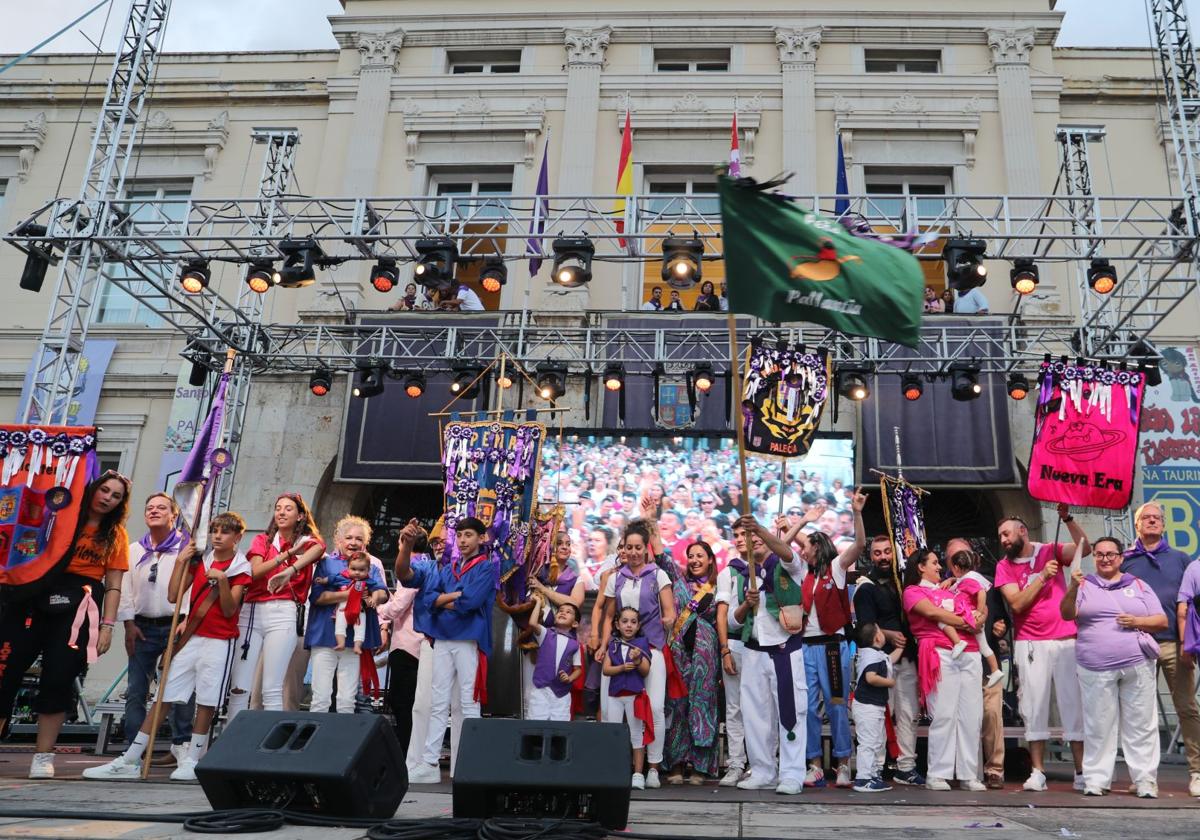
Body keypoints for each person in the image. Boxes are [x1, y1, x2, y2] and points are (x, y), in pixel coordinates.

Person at [83, 513, 253, 783]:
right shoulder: (202, 560)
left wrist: (221, 581)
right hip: (192, 638)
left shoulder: (241, 569)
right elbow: (174, 595)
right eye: (215, 531)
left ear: (238, 537)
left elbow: (230, 609)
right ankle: (131, 758)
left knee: (207, 700)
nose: (218, 536)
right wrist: (181, 562)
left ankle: (194, 758)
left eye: (225, 532)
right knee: (165, 695)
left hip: (220, 640)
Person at [0, 470, 130, 780]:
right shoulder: (59, 517)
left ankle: (43, 756)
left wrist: (109, 626)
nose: (108, 498)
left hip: (79, 605)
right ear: (91, 490)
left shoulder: (116, 535)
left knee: (58, 677)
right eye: (104, 490)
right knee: (5, 671)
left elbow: (113, 584)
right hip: (32, 596)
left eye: (116, 496)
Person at [1061, 536, 1166, 798]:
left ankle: (1145, 780)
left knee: (1141, 724)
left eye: (1111, 554)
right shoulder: (1082, 584)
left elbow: (1162, 620)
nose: (1105, 559)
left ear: (1121, 557)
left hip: (1136, 664)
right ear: (1093, 557)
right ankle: (1096, 779)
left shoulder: (1138, 584)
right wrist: (1072, 587)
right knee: (1098, 725)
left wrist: (1136, 620)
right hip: (1094, 665)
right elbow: (1065, 614)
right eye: (1099, 554)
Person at [398, 517, 498, 784]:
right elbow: (428, 599)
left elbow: (471, 601)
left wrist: (444, 601)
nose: (463, 540)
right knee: (438, 701)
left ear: (482, 538)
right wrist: (450, 598)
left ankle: (471, 762)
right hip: (443, 638)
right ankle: (430, 763)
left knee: (468, 701)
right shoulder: (448, 568)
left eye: (468, 535)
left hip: (468, 640)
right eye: (460, 535)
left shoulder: (487, 568)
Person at [995, 507, 1089, 792]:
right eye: (1000, 536)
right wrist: (1042, 578)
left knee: (1073, 705)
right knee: (1032, 706)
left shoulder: (1050, 550)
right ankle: (1038, 771)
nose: (1003, 540)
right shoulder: (1004, 566)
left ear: (1022, 531)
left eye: (1006, 533)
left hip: (1064, 638)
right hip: (1030, 641)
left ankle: (1081, 771)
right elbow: (1018, 604)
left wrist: (1068, 520)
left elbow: (1084, 549)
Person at [720, 515, 809, 795]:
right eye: (750, 536)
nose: (755, 540)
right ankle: (762, 769)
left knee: (791, 713)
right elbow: (733, 622)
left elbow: (787, 552)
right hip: (753, 651)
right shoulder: (741, 575)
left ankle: (792, 773)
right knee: (755, 716)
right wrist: (747, 604)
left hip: (784, 650)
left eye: (759, 536)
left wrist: (760, 529)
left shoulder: (788, 565)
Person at [1122, 501, 1200, 797]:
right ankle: (1144, 775)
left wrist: (1189, 644)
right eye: (1147, 518)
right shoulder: (1126, 560)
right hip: (1137, 644)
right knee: (1139, 713)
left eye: (1157, 518)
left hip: (1174, 644)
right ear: (1138, 525)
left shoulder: (1182, 559)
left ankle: (1197, 772)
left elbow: (1191, 602)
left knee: (1187, 708)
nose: (1152, 521)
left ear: (1164, 525)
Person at [790, 489, 867, 789]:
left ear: (818, 548)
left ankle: (843, 763)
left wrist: (857, 513)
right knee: (808, 708)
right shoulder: (804, 574)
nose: (802, 551)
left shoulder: (835, 568)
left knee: (836, 705)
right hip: (806, 648)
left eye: (807, 547)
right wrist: (795, 524)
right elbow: (795, 543)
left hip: (833, 648)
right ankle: (814, 764)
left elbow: (859, 544)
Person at [226, 493, 325, 720]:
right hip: (252, 611)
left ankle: (268, 748)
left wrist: (290, 571)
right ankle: (232, 740)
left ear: (300, 515)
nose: (281, 512)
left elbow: (318, 547)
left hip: (284, 612)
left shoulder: (307, 541)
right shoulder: (263, 540)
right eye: (278, 508)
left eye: (288, 509)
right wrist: (286, 557)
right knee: (240, 686)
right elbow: (254, 571)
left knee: (272, 687)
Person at [599, 518, 677, 788]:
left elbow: (670, 612)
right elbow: (609, 615)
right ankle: (620, 766)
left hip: (650, 648)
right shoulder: (615, 578)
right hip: (619, 651)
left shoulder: (658, 575)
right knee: (617, 708)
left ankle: (653, 767)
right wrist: (602, 644)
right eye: (628, 547)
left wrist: (669, 621)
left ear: (646, 549)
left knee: (654, 707)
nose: (633, 552)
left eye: (637, 547)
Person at [118, 493, 194, 765]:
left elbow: (193, 585)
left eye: (161, 507)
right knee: (137, 690)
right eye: (149, 507)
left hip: (174, 624)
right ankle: (134, 750)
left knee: (180, 689)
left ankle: (181, 744)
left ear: (174, 515)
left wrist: (187, 617)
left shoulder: (185, 547)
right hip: (142, 626)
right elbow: (125, 590)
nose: (154, 511)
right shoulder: (134, 549)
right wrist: (128, 624)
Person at [902, 548, 986, 791]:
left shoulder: (953, 588)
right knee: (944, 714)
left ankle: (969, 774)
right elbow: (931, 612)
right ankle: (937, 774)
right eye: (935, 563)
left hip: (970, 651)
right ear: (920, 567)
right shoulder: (912, 591)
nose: (940, 567)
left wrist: (979, 617)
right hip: (939, 652)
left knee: (972, 715)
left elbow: (980, 609)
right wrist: (967, 621)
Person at [852, 536, 923, 786]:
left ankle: (906, 767)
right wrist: (891, 634)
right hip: (880, 661)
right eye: (877, 553)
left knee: (909, 714)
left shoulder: (904, 583)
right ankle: (876, 768)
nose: (883, 557)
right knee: (881, 715)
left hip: (907, 658)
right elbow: (865, 626)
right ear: (870, 556)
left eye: (887, 552)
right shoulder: (865, 586)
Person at [945, 537, 1009, 790]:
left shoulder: (987, 585)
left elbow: (1003, 618)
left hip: (984, 660)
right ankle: (960, 769)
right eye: (954, 557)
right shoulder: (948, 588)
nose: (960, 561)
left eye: (964, 555)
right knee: (959, 717)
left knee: (992, 715)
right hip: (957, 662)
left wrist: (1000, 627)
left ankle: (994, 769)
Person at [306, 536, 388, 714]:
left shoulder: (371, 566)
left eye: (359, 538)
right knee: (320, 696)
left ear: (365, 543)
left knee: (347, 698)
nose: (353, 542)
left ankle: (343, 739)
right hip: (324, 635)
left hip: (355, 641)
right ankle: (318, 739)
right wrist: (350, 595)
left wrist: (373, 598)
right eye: (348, 537)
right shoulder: (326, 563)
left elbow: (382, 593)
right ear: (338, 540)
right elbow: (316, 597)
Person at [664, 541, 721, 784]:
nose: (695, 560)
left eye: (700, 555)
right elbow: (659, 555)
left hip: (706, 656)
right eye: (691, 556)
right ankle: (677, 763)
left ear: (710, 559)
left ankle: (699, 766)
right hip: (679, 653)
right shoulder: (678, 583)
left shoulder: (719, 587)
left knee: (703, 707)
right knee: (677, 706)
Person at [603, 606, 653, 789]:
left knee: (636, 734)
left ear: (639, 625)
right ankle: (614, 771)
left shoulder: (642, 644)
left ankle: (638, 774)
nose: (629, 625)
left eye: (633, 622)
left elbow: (646, 671)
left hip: (634, 695)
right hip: (615, 695)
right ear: (617, 624)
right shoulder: (613, 643)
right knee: (614, 732)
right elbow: (606, 669)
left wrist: (638, 661)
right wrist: (622, 668)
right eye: (624, 621)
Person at [851, 622, 903, 793]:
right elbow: (871, 678)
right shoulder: (871, 656)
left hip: (875, 705)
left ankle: (872, 775)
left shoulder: (875, 654)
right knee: (868, 743)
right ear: (878, 637)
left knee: (876, 742)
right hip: (868, 706)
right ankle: (863, 778)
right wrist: (890, 682)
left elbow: (890, 659)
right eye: (880, 630)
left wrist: (901, 646)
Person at [940, 551, 1004, 687]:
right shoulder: (965, 579)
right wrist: (951, 580)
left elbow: (981, 593)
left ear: (956, 568)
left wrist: (979, 612)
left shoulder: (969, 580)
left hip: (970, 615)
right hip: (970, 615)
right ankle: (995, 670)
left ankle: (958, 643)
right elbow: (957, 583)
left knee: (943, 620)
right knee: (984, 647)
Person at [527, 599, 582, 721]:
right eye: (560, 611)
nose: (563, 613)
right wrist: (537, 604)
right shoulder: (545, 633)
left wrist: (569, 678)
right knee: (536, 724)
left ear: (575, 624)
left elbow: (578, 669)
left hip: (561, 693)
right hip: (541, 689)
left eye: (568, 612)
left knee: (559, 727)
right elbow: (532, 623)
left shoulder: (575, 645)